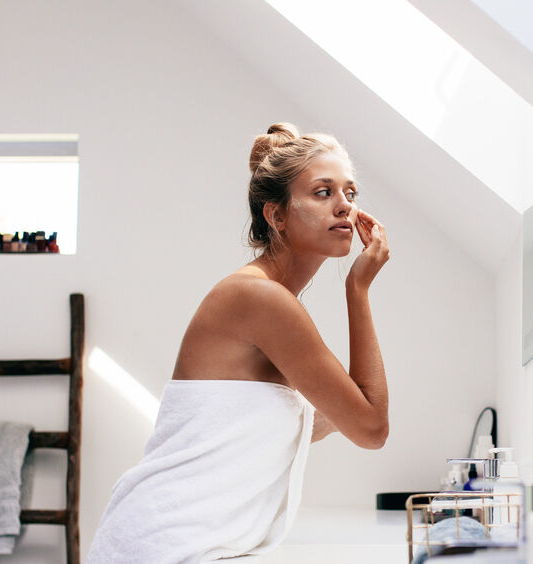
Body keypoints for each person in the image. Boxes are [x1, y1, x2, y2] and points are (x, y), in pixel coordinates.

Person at [87, 123, 390, 563]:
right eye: (323, 192)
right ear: (277, 216)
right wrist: (357, 289)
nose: (345, 205)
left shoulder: (270, 300)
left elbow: (326, 419)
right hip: (159, 545)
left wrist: (346, 409)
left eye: (350, 192)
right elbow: (372, 428)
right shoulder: (260, 298)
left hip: (187, 546)